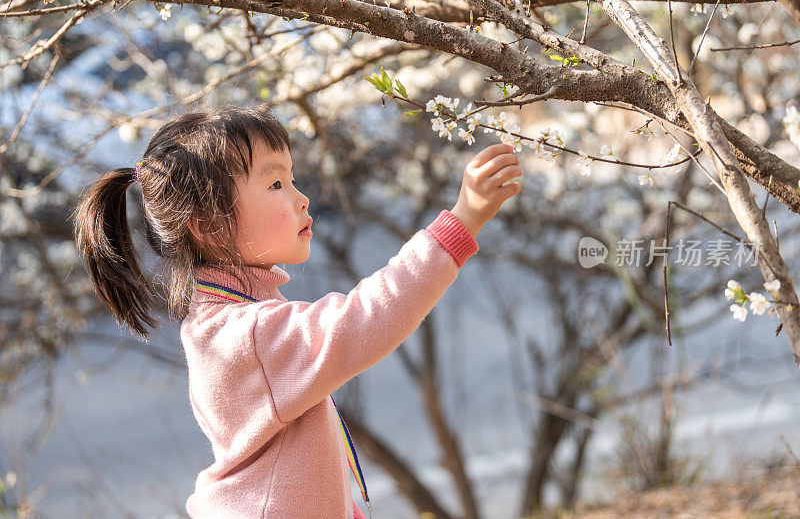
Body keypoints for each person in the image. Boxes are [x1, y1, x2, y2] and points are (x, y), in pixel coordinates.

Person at [72, 103, 522, 518]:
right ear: (209, 225)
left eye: (291, 179)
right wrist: (461, 223)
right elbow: (365, 319)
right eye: (275, 184)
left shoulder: (234, 314)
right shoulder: (248, 334)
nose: (301, 197)